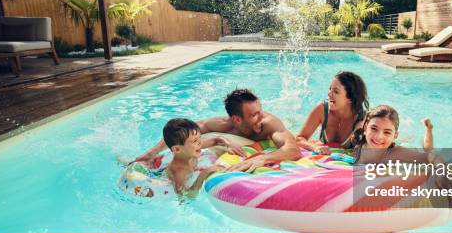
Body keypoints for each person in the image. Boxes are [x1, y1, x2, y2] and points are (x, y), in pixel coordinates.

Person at [135, 89, 301, 172]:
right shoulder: (223, 125)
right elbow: (181, 130)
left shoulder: (269, 123)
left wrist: (263, 159)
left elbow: (293, 149)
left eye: (260, 111)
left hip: (276, 136)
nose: (260, 117)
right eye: (253, 115)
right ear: (237, 119)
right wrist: (152, 152)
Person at [296, 71, 369, 154]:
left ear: (350, 99)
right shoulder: (322, 110)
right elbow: (299, 138)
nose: (329, 94)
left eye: (336, 91)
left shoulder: (362, 119)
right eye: (330, 89)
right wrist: (314, 147)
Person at [353, 104, 434, 164]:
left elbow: (430, 157)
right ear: (365, 129)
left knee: (427, 149)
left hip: (400, 146)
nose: (379, 136)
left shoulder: (395, 153)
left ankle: (429, 129)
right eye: (374, 129)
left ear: (395, 136)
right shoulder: (356, 145)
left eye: (387, 132)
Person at [162, 118, 223, 197]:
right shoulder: (179, 173)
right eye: (195, 141)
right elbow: (186, 196)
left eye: (199, 137)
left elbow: (216, 140)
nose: (200, 142)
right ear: (177, 149)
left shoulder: (189, 150)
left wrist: (229, 144)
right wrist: (203, 174)